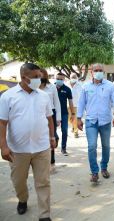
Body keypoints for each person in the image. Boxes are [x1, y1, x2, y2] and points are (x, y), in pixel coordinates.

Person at [0, 63, 56, 221]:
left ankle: (44, 214)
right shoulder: (8, 96)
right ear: (24, 78)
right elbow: (2, 123)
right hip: (17, 150)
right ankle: (22, 199)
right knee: (19, 181)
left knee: (43, 182)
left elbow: (49, 118)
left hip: (41, 147)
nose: (40, 80)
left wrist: (52, 137)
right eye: (36, 77)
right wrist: (3, 146)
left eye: (40, 76)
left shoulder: (43, 96)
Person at [77, 63, 114, 183]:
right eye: (96, 70)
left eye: (100, 70)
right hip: (91, 121)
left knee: (106, 146)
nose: (98, 72)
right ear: (91, 72)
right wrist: (79, 118)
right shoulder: (86, 87)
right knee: (92, 146)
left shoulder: (110, 86)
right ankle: (94, 172)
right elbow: (81, 103)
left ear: (104, 72)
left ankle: (104, 167)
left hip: (105, 121)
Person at [39, 69, 61, 173]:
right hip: (38, 114)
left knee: (51, 137)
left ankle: (52, 162)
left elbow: (57, 103)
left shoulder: (52, 87)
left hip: (51, 114)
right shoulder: (34, 87)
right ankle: (42, 162)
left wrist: (58, 118)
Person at [55, 73, 75, 156]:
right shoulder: (51, 88)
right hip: (53, 113)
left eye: (61, 79)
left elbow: (70, 102)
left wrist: (73, 113)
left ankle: (63, 148)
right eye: (58, 78)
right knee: (53, 131)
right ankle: (55, 140)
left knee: (64, 130)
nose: (59, 80)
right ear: (55, 78)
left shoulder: (67, 89)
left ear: (64, 80)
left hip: (64, 113)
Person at [69, 73, 83, 138]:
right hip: (67, 104)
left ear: (77, 78)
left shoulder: (79, 85)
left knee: (75, 118)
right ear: (70, 78)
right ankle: (73, 127)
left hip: (76, 104)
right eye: (72, 77)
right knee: (69, 118)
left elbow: (81, 95)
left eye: (74, 77)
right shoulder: (67, 84)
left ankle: (76, 132)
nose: (73, 79)